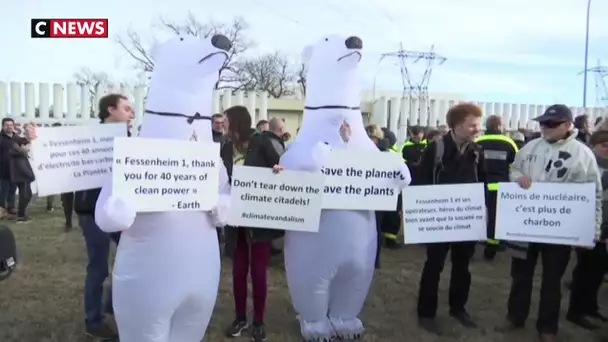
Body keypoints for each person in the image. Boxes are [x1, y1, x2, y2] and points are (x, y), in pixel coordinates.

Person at [95, 35, 233, 342]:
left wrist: (224, 205)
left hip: (202, 271)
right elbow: (104, 215)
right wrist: (117, 212)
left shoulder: (210, 158)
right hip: (149, 273)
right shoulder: (135, 153)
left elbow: (226, 196)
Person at [278, 34, 411, 341]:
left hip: (360, 229)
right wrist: (310, 163)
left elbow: (383, 167)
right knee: (314, 274)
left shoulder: (363, 140)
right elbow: (292, 163)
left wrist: (397, 173)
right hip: (315, 230)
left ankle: (345, 314)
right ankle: (312, 317)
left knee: (356, 273)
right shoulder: (308, 135)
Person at [498, 104, 602, 342]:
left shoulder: (582, 154)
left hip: (559, 231)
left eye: (551, 124)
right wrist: (518, 178)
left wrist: (591, 232)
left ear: (568, 125)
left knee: (552, 280)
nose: (545, 127)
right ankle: (515, 316)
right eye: (543, 123)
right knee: (520, 275)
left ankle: (547, 327)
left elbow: (593, 195)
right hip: (526, 226)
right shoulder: (530, 147)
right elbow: (514, 170)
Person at [415, 103, 488, 334]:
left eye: (478, 124)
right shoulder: (435, 148)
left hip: (465, 218)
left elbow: (483, 182)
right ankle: (426, 313)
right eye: (472, 125)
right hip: (439, 218)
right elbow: (421, 181)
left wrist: (483, 210)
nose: (478, 129)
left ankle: (458, 308)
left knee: (462, 266)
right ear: (456, 125)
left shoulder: (478, 151)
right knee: (433, 265)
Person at [221, 106, 285, 342]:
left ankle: (258, 321)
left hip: (259, 220)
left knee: (258, 272)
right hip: (234, 219)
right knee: (238, 271)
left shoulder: (262, 144)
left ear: (236, 121)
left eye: (226, 119)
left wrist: (279, 171)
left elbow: (280, 169)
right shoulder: (225, 147)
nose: (223, 123)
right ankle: (240, 318)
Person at [73, 93, 132, 339]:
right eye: (127, 108)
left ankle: (111, 304)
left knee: (129, 259)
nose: (132, 113)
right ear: (111, 110)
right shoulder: (89, 137)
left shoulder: (129, 139)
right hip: (92, 211)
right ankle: (93, 320)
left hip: (119, 212)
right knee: (98, 267)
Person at [566, 130, 608, 330]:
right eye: (604, 145)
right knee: (585, 271)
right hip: (587, 228)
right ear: (593, 147)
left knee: (598, 271)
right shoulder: (585, 166)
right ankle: (576, 311)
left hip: (605, 230)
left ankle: (590, 307)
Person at [475, 115, 518, 260]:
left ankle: (472, 242)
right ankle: (492, 246)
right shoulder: (509, 142)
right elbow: (515, 165)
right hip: (500, 185)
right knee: (496, 216)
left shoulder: (478, 141)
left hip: (480, 185)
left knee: (477, 215)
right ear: (499, 126)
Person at [8, 124, 35, 223]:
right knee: (25, 195)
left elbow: (25, 141)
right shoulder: (16, 148)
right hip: (21, 175)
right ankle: (21, 215)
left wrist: (28, 139)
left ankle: (22, 214)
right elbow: (22, 150)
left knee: (27, 194)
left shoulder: (17, 146)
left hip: (22, 175)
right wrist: (30, 176)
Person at [0, 118, 18, 217]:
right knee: (4, 190)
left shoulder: (16, 137)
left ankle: (11, 208)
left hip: (15, 169)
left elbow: (24, 144)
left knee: (12, 189)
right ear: (3, 126)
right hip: (3, 169)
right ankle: (1, 209)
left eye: (11, 125)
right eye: (7, 125)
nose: (9, 126)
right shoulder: (1, 138)